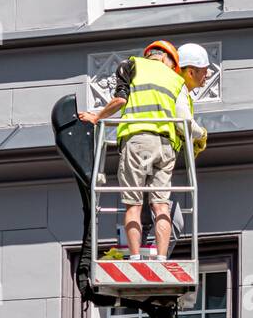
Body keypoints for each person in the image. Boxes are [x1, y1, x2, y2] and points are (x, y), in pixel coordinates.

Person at [81, 41, 210, 261]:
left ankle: (134, 257)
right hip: (165, 146)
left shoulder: (132, 66)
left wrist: (96, 117)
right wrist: (199, 136)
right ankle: (160, 258)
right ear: (167, 58)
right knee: (161, 206)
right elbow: (183, 122)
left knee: (133, 205)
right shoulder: (176, 81)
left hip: (136, 141)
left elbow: (121, 99)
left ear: (151, 54)